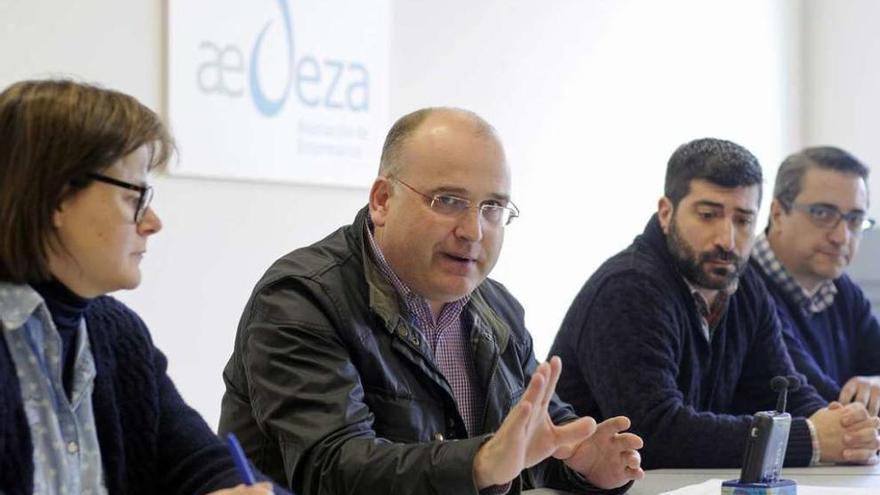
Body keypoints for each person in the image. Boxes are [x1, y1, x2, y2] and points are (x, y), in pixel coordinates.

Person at [219, 107, 644, 494]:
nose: (474, 231)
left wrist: (581, 461)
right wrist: (478, 462)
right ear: (383, 200)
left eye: (492, 207)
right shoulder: (302, 299)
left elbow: (531, 444)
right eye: (449, 201)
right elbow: (333, 470)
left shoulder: (498, 310)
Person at [0, 79, 279, 495]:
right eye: (135, 198)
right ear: (58, 197)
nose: (152, 223)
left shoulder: (118, 334)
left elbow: (203, 464)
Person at [549, 138, 880, 469]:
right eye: (708, 215)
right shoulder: (629, 288)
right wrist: (810, 438)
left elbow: (782, 388)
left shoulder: (744, 285)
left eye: (743, 220)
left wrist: (844, 428)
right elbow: (653, 432)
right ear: (666, 213)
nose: (727, 239)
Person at [751, 146, 880, 414]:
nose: (841, 237)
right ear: (777, 214)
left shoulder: (841, 289)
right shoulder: (743, 288)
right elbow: (823, 404)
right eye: (823, 214)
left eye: (855, 219)